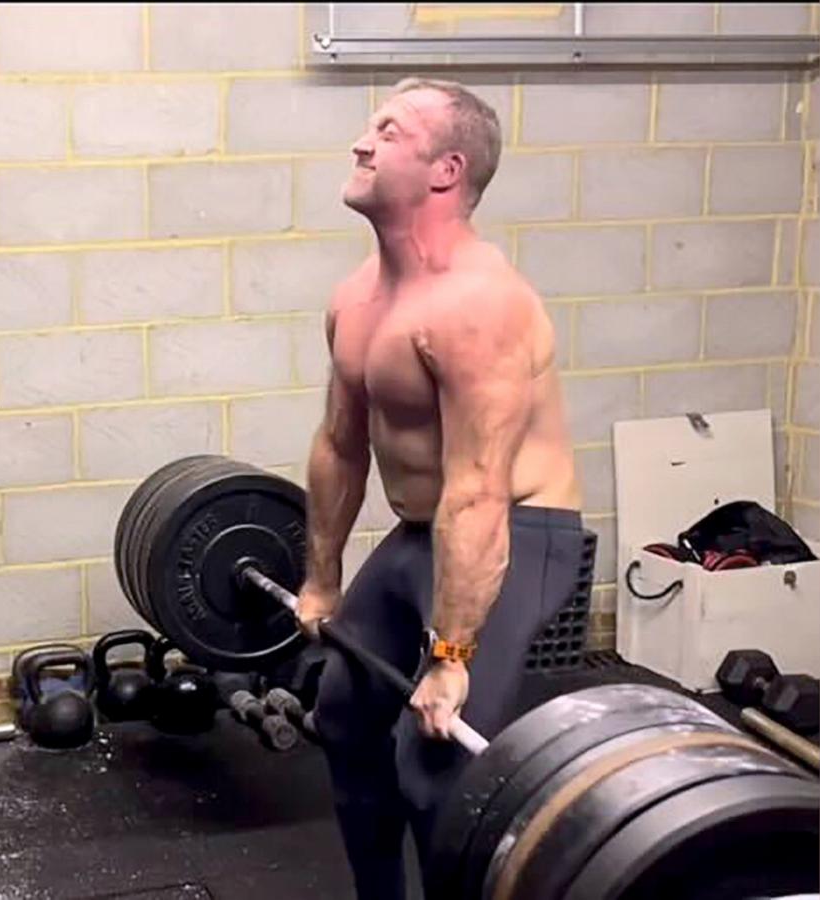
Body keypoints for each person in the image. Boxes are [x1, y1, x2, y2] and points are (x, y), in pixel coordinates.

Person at [296, 78, 593, 897]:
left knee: (434, 755)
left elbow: (479, 491)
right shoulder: (357, 298)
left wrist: (451, 655)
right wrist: (321, 579)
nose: (362, 142)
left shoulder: (479, 305)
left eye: (388, 132)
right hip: (426, 532)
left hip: (520, 527)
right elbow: (339, 446)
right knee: (345, 716)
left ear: (444, 170)